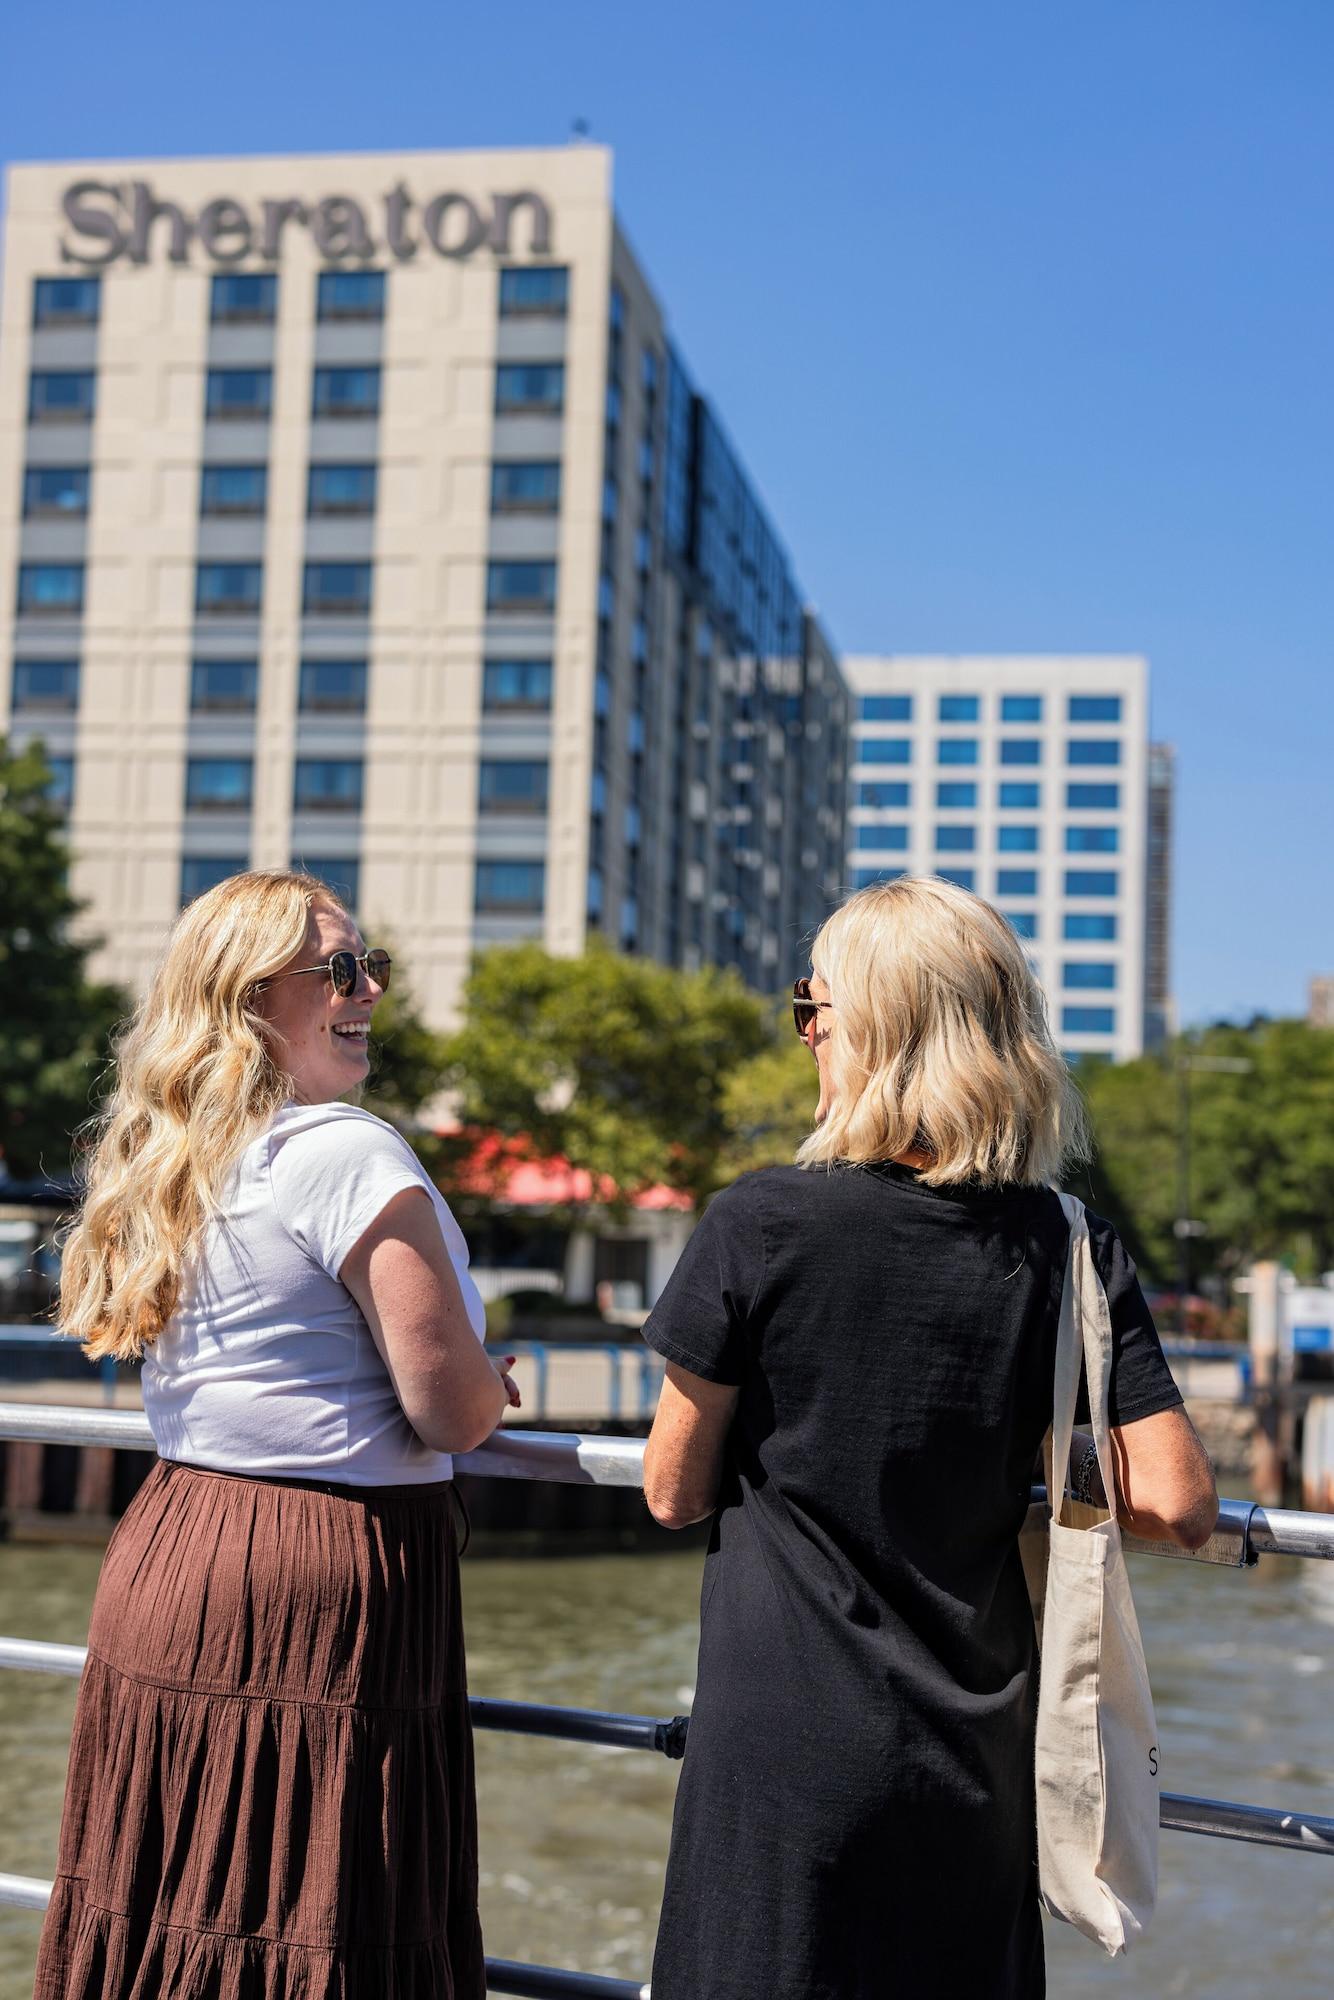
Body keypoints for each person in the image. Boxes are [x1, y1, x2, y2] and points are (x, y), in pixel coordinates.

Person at [642, 875, 1217, 2000]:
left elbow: (671, 1488)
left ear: (870, 1030)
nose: (805, 1032)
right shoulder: (1069, 1244)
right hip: (975, 1748)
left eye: (812, 1007)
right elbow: (1179, 1498)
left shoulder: (759, 1221)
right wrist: (1044, 1452)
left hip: (780, 1739)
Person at [38, 869, 515, 2000]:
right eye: (338, 970)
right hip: (319, 1578)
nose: (369, 991)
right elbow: (447, 1406)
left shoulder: (175, 1158)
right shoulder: (345, 1151)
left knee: (176, 1901)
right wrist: (497, 1384)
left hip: (175, 1548)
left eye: (370, 966)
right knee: (315, 1906)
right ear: (251, 997)